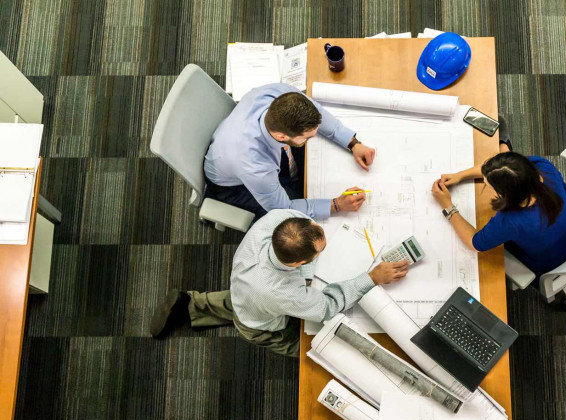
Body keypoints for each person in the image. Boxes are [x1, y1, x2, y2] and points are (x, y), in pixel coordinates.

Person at [149, 209, 409, 357]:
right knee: (312, 347)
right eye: (319, 253)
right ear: (297, 264)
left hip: (245, 287)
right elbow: (327, 307)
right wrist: (371, 277)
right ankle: (197, 308)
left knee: (242, 300)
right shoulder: (283, 292)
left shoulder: (278, 220)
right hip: (260, 323)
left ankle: (190, 304)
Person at [430, 117, 566, 288]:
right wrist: (460, 175)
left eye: (488, 185)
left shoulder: (510, 222)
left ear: (506, 194)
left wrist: (447, 206)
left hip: (556, 260)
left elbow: (474, 243)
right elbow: (503, 169)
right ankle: (505, 144)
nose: (486, 185)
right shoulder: (542, 167)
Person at [204, 83, 377, 221]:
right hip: (233, 187)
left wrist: (352, 143)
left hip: (238, 149)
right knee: (295, 222)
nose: (313, 137)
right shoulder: (255, 166)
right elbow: (283, 208)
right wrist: (336, 205)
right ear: (281, 136)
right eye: (307, 137)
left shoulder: (280, 94)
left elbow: (319, 114)